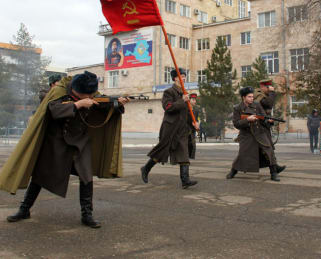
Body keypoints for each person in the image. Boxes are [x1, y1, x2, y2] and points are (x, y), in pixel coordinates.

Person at [0, 71, 129, 228]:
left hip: (80, 141)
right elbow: (52, 110)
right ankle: (24, 209)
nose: (88, 97)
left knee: (86, 177)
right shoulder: (58, 90)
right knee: (40, 176)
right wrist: (77, 104)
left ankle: (87, 215)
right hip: (57, 141)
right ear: (75, 90)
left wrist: (117, 103)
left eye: (89, 94)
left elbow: (102, 104)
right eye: (84, 95)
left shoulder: (92, 93)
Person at [140, 68, 199, 189]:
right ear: (175, 78)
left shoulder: (185, 93)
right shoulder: (169, 92)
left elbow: (186, 112)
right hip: (170, 128)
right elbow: (168, 108)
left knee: (184, 153)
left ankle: (185, 180)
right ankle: (146, 168)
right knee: (162, 152)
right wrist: (182, 100)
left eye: (184, 76)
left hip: (182, 129)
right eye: (181, 76)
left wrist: (194, 122)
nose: (183, 78)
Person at [226, 87, 282, 182]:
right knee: (243, 154)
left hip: (259, 132)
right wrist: (247, 120)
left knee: (269, 151)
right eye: (249, 97)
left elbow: (263, 117)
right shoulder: (237, 108)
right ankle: (233, 171)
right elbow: (236, 124)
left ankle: (273, 173)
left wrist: (269, 121)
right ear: (244, 97)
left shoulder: (257, 105)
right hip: (247, 135)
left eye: (252, 96)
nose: (252, 98)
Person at [254, 78, 286, 172]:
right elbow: (269, 104)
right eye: (268, 87)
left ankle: (274, 167)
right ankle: (235, 168)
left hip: (264, 125)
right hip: (258, 127)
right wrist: (272, 93)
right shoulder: (258, 94)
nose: (269, 89)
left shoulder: (264, 94)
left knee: (267, 148)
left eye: (270, 88)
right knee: (263, 148)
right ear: (262, 86)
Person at [187, 93, 199, 159]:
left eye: (195, 100)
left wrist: (197, 124)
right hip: (185, 130)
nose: (195, 101)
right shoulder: (185, 109)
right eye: (193, 99)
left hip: (192, 131)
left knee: (192, 145)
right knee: (186, 145)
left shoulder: (195, 111)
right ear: (189, 100)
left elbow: (196, 120)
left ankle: (189, 158)